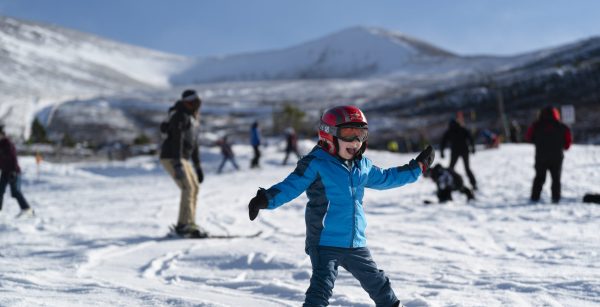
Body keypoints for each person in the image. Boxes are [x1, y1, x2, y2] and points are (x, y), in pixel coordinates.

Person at [247, 106, 435, 307]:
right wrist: (265, 199)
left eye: (360, 134)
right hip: (325, 241)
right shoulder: (317, 163)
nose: (355, 141)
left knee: (378, 283)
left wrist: (417, 168)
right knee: (322, 288)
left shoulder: (362, 166)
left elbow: (388, 177)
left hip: (355, 242)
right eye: (348, 134)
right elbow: (291, 186)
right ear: (328, 135)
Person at [159, 89, 206, 238]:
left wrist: (198, 166)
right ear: (188, 102)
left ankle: (190, 223)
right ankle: (183, 225)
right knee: (188, 188)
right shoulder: (180, 116)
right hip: (172, 157)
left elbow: (194, 143)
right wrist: (178, 163)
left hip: (182, 158)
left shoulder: (192, 118)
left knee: (194, 188)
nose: (196, 105)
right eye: (194, 102)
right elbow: (176, 140)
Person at [525, 106, 572, 203]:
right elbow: (568, 143)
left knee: (539, 177)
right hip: (557, 157)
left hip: (541, 157)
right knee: (556, 179)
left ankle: (535, 198)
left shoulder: (536, 125)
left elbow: (528, 137)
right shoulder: (562, 126)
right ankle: (556, 199)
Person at [0, 125, 34, 218]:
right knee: (0, 191)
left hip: (13, 171)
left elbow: (13, 158)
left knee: (15, 192)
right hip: (5, 172)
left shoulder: (8, 144)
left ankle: (27, 210)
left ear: (2, 134)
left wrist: (13, 171)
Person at [440, 118, 477, 190]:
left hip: (457, 151)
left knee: (451, 169)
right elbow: (470, 138)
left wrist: (442, 152)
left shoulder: (450, 131)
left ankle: (449, 184)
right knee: (465, 168)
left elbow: (443, 142)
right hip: (463, 150)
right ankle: (473, 184)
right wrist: (473, 147)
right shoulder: (461, 129)